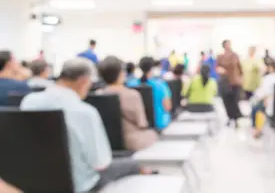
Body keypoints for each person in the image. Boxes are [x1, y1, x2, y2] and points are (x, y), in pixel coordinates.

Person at [20, 58, 149, 192]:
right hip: (81, 185)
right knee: (133, 164)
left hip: (39, 181)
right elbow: (100, 163)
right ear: (83, 80)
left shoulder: (28, 102)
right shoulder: (85, 112)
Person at [97, 56, 158, 151]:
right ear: (121, 73)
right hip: (130, 142)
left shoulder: (98, 95)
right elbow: (142, 124)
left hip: (104, 142)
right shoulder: (132, 95)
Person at [127, 57, 172, 130]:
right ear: (153, 68)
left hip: (137, 126)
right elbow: (167, 107)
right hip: (160, 125)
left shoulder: (130, 85)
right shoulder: (161, 85)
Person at [217, 40, 243, 127]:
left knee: (235, 101)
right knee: (226, 101)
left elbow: (240, 68)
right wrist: (220, 70)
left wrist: (241, 78)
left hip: (235, 82)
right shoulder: (220, 56)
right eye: (227, 44)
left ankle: (236, 119)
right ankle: (230, 117)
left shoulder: (235, 56)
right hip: (225, 82)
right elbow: (217, 67)